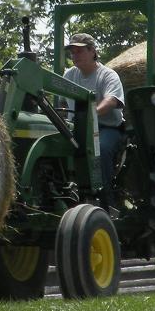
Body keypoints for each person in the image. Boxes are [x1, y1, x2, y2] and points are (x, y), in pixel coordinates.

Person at [62, 33, 125, 206]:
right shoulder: (69, 76)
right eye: (72, 52)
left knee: (100, 150)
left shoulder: (107, 75)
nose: (75, 56)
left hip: (105, 128)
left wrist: (91, 115)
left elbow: (112, 100)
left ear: (92, 52)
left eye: (80, 51)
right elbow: (59, 102)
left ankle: (107, 204)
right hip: (74, 129)